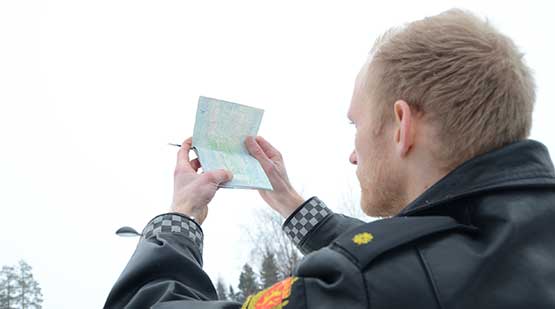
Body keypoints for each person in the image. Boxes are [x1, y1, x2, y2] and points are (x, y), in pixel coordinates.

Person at [104, 9, 555, 309]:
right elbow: (427, 258)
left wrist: (180, 215)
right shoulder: (521, 238)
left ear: (402, 126)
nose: (354, 154)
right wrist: (288, 201)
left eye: (356, 125)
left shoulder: (362, 288)